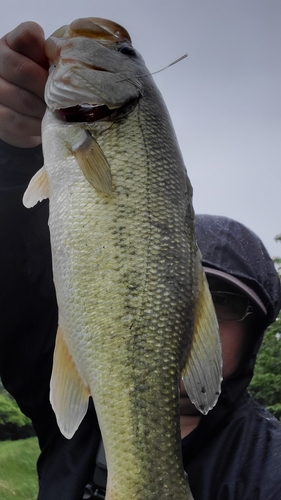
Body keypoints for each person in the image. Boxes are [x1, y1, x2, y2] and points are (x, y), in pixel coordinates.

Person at [0, 22, 280, 500]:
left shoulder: (268, 463)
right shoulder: (74, 423)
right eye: (192, 294)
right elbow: (16, 284)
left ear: (256, 334)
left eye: (225, 304)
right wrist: (11, 159)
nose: (172, 314)